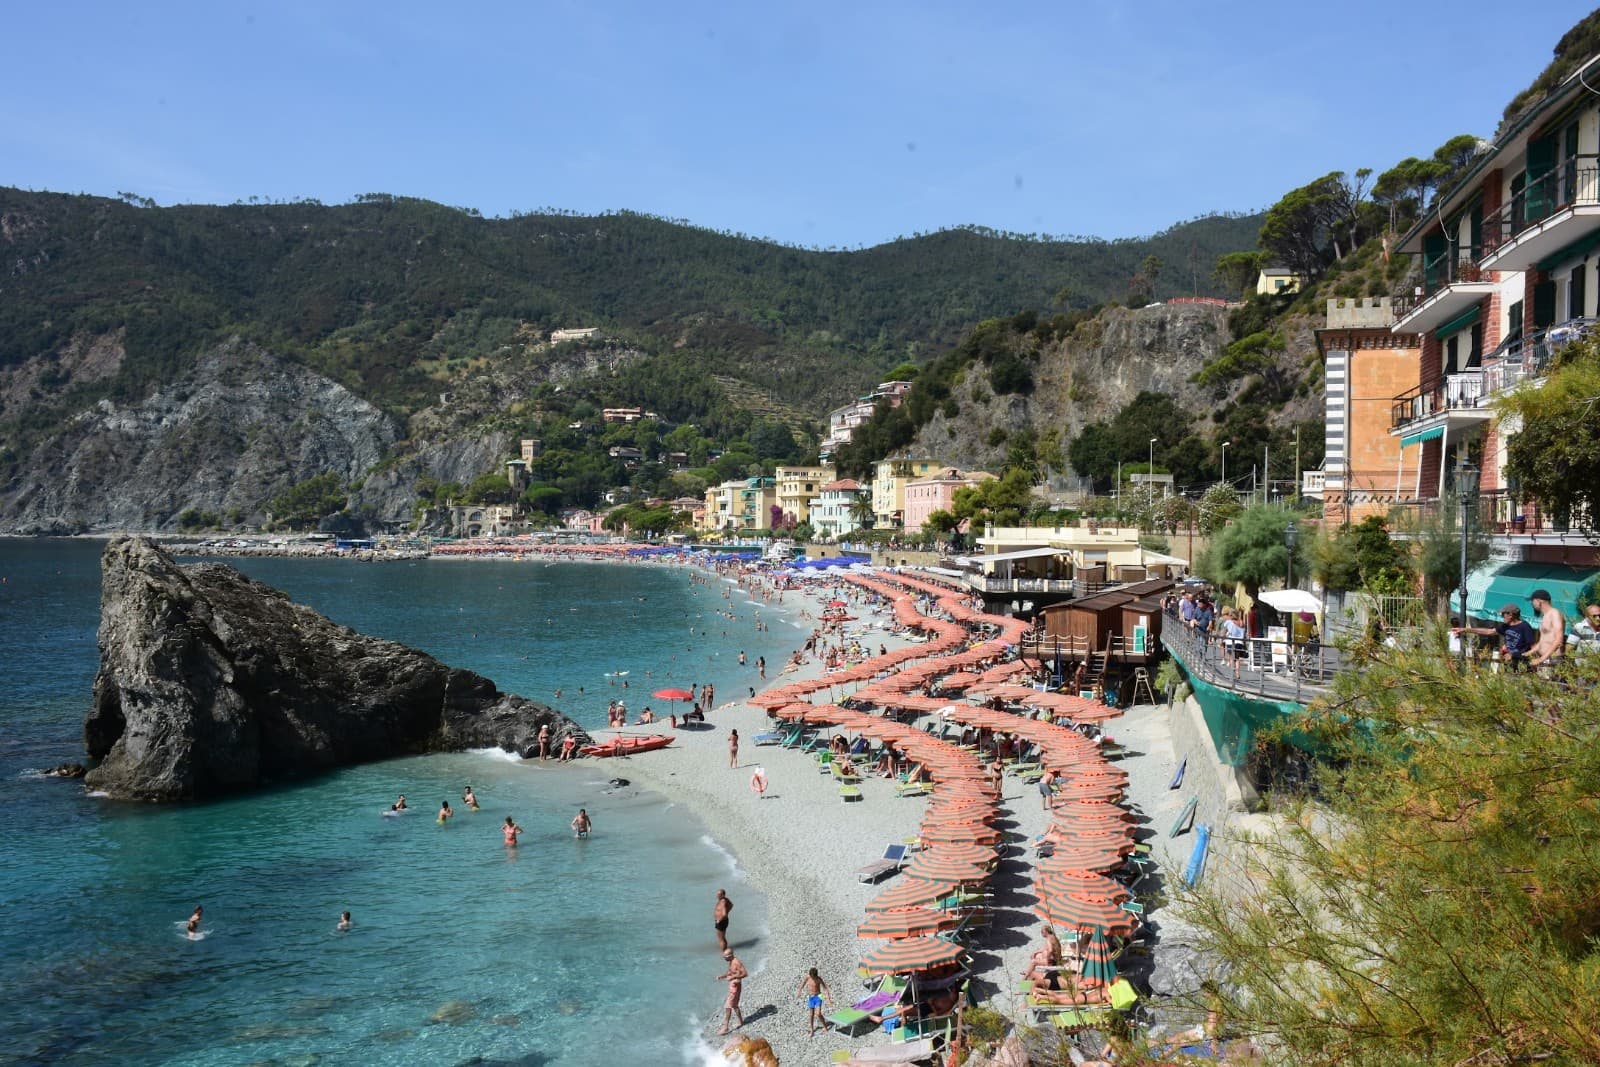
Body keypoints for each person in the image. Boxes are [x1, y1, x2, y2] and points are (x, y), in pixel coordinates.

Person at [1454, 604, 1538, 671]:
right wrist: (1465, 629)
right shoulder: (1505, 627)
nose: (1501, 616)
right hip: (1509, 663)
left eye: (1503, 614)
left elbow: (1533, 647)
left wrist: (1535, 661)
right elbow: (1488, 631)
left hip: (1523, 664)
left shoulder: (1524, 626)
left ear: (1510, 615)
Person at [1526, 589, 1567, 672]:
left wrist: (1541, 659)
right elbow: (1543, 640)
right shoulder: (1545, 616)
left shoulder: (1554, 613)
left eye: (1532, 601)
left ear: (1539, 601)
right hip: (1546, 658)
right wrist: (1529, 653)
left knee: (1552, 684)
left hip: (1553, 659)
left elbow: (1559, 639)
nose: (1532, 604)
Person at [715, 949, 749, 1035]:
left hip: (735, 988)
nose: (724, 959)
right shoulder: (731, 961)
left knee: (727, 1006)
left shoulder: (736, 962)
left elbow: (745, 973)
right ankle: (741, 1021)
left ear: (730, 955)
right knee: (734, 1005)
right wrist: (722, 976)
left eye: (725, 957)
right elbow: (730, 972)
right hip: (734, 987)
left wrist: (732, 977)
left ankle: (725, 1027)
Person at [798, 966, 833, 1035]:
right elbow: (803, 984)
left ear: (815, 975)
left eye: (813, 977)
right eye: (811, 977)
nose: (812, 978)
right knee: (811, 1014)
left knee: (818, 1013)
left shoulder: (818, 979)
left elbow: (825, 988)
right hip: (811, 997)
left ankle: (825, 1027)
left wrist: (829, 999)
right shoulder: (808, 977)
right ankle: (812, 1030)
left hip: (819, 996)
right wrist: (799, 991)